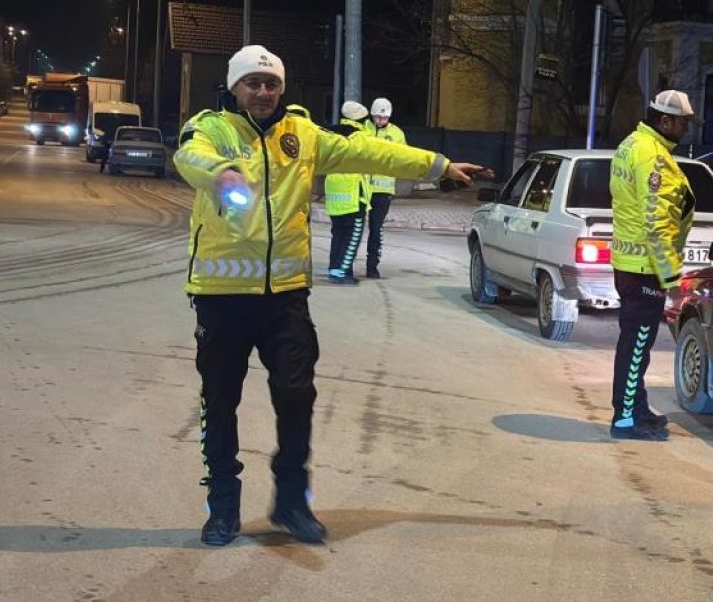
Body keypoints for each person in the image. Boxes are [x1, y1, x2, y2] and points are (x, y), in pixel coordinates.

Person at [175, 45, 489, 546]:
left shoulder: (302, 134)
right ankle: (223, 507)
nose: (262, 92)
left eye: (271, 83)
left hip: (285, 297)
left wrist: (439, 165)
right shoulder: (212, 128)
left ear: (282, 88)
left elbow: (370, 151)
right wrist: (221, 174)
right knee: (220, 401)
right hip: (221, 295)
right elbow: (189, 155)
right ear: (234, 87)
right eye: (252, 83)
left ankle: (292, 502)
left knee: (297, 395)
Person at [607, 90, 697, 442]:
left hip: (631, 262)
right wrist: (671, 277)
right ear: (664, 120)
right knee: (637, 343)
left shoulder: (633, 143)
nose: (685, 129)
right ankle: (626, 418)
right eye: (682, 122)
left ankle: (636, 406)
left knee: (635, 343)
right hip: (645, 267)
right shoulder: (652, 156)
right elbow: (656, 221)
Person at [323, 100, 372, 285]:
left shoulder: (332, 134)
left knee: (338, 233)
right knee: (352, 234)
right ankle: (342, 272)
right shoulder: (360, 137)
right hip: (352, 193)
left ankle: (334, 268)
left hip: (334, 193)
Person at [364, 97, 405, 279]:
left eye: (384, 118)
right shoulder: (363, 129)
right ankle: (345, 265)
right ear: (372, 115)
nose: (380, 121)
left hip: (383, 191)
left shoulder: (397, 134)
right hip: (361, 188)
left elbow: (403, 157)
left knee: (376, 229)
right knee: (355, 229)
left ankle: (372, 266)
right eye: (377, 118)